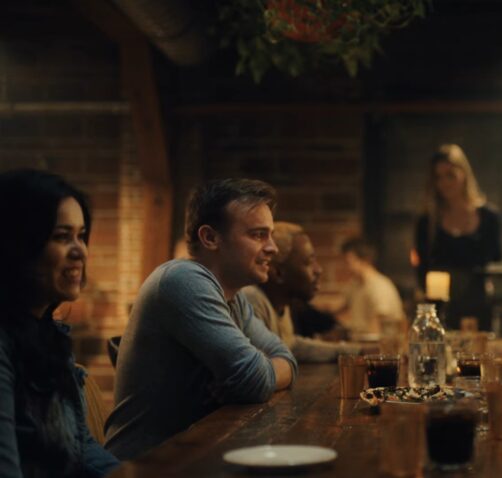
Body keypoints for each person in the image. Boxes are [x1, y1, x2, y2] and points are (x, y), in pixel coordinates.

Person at [104, 179, 297, 460]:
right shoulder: (183, 280)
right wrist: (251, 376)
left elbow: (286, 358)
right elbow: (254, 380)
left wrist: (257, 373)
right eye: (258, 235)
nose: (273, 249)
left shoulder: (235, 297)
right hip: (145, 466)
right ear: (210, 238)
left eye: (271, 235)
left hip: (192, 457)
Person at [0, 169, 119, 477]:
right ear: (18, 247)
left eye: (81, 236)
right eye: (62, 237)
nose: (80, 251)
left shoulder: (48, 335)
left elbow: (81, 449)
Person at [243, 223, 362, 362]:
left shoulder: (281, 302)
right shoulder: (252, 300)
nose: (318, 270)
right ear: (278, 273)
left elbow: (291, 346)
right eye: (308, 262)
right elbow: (269, 362)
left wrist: (357, 351)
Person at [413, 144, 502, 330]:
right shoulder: (426, 222)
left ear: (464, 174)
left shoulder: (489, 217)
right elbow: (421, 268)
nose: (445, 183)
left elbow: (496, 260)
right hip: (439, 312)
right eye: (438, 178)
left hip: (478, 308)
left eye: (450, 176)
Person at [338, 237, 405, 338]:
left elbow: (378, 326)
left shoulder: (380, 286)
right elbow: (339, 307)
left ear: (365, 260)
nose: (347, 267)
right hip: (359, 341)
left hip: (377, 346)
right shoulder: (355, 285)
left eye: (349, 262)